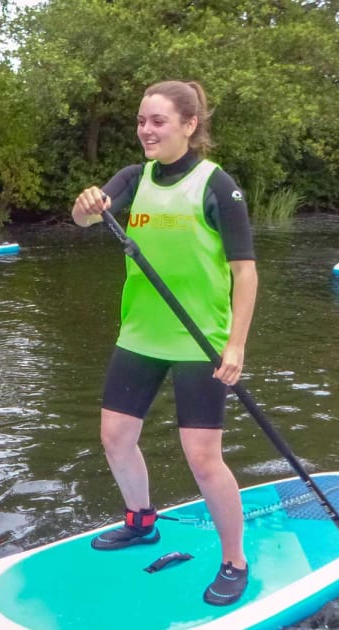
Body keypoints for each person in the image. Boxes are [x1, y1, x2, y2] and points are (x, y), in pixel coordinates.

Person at [70, 80, 258, 606]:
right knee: (115, 437)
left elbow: (245, 274)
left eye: (158, 121)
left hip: (202, 340)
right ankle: (141, 521)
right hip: (141, 333)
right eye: (141, 121)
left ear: (189, 125)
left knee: (202, 458)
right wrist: (86, 206)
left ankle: (234, 560)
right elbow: (86, 217)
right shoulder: (134, 178)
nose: (146, 131)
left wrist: (236, 346)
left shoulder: (218, 186)